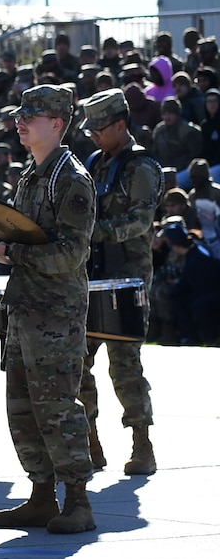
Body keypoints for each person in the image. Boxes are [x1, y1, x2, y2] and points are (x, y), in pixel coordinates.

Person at [0, 84, 96, 532]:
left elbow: (71, 254)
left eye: (32, 115)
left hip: (55, 313)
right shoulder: (32, 174)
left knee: (58, 405)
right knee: (23, 406)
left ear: (58, 124)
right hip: (25, 307)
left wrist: (12, 253)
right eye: (21, 114)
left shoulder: (72, 179)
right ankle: (42, 496)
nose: (21, 121)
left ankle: (79, 503)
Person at [75, 90, 162, 475]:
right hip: (92, 277)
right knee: (78, 361)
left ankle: (142, 443)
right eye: (90, 128)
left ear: (121, 125)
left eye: (99, 128)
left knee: (125, 364)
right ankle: (90, 439)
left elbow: (140, 223)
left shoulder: (140, 167)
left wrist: (92, 232)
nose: (93, 135)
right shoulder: (94, 162)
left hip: (127, 280)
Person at [161, 217, 220, 344]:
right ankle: (187, 336)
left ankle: (210, 338)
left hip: (211, 290)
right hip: (204, 289)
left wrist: (176, 289)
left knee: (199, 304)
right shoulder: (191, 254)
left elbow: (197, 282)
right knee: (178, 301)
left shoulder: (197, 256)